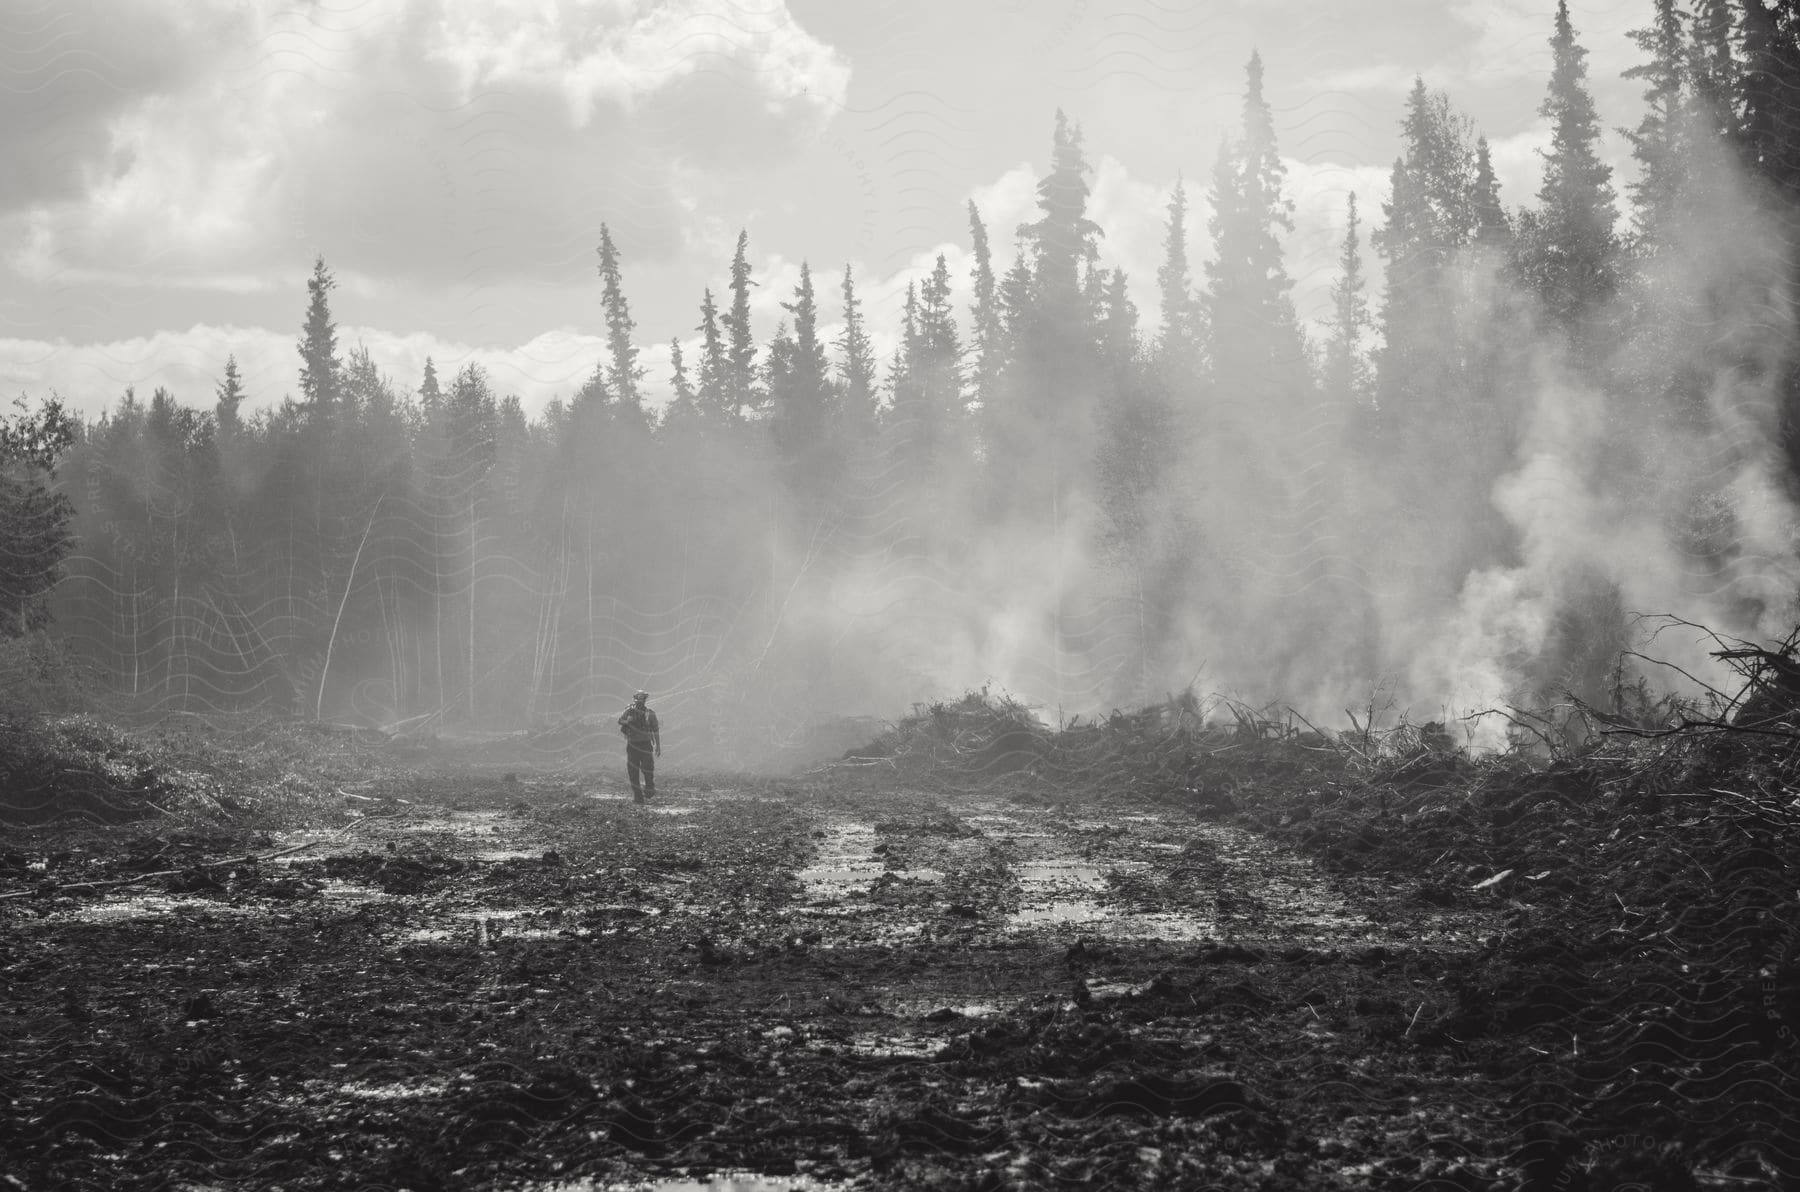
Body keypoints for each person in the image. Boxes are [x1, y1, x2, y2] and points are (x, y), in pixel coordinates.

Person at [618, 690, 661, 803]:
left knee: (648, 768)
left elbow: (656, 730)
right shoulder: (629, 712)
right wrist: (627, 721)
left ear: (645, 700)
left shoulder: (650, 713)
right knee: (633, 771)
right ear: (635, 699)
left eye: (642, 699)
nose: (640, 701)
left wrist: (658, 746)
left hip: (646, 744)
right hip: (632, 745)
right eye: (638, 699)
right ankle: (638, 796)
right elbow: (620, 720)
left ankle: (649, 788)